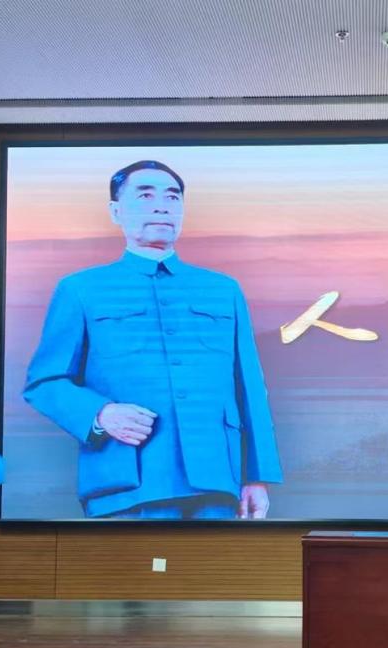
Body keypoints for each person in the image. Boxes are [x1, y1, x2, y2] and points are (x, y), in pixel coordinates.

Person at [24, 160, 282, 519]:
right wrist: (101, 413)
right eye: (145, 195)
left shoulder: (223, 289)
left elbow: (249, 388)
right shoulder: (80, 289)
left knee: (214, 560)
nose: (162, 206)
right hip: (127, 480)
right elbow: (44, 382)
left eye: (172, 197)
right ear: (116, 211)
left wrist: (257, 476)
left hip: (216, 479)